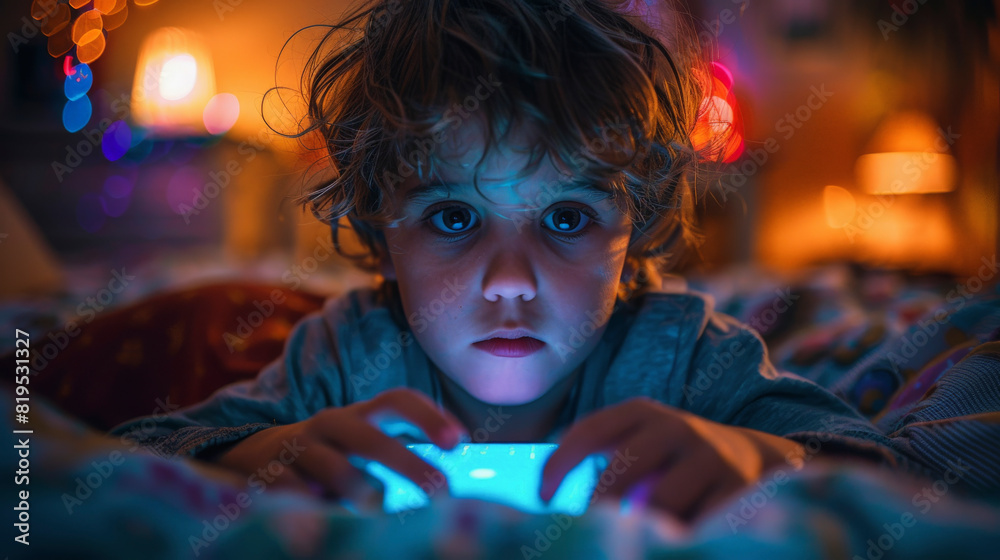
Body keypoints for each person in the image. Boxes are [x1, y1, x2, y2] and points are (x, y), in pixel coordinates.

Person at [110, 0, 919, 522]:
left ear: (632, 229)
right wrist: (258, 453)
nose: (510, 280)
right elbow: (137, 456)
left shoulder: (685, 354)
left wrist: (759, 455)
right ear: (383, 232)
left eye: (566, 218)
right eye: (454, 217)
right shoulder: (349, 353)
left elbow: (883, 473)